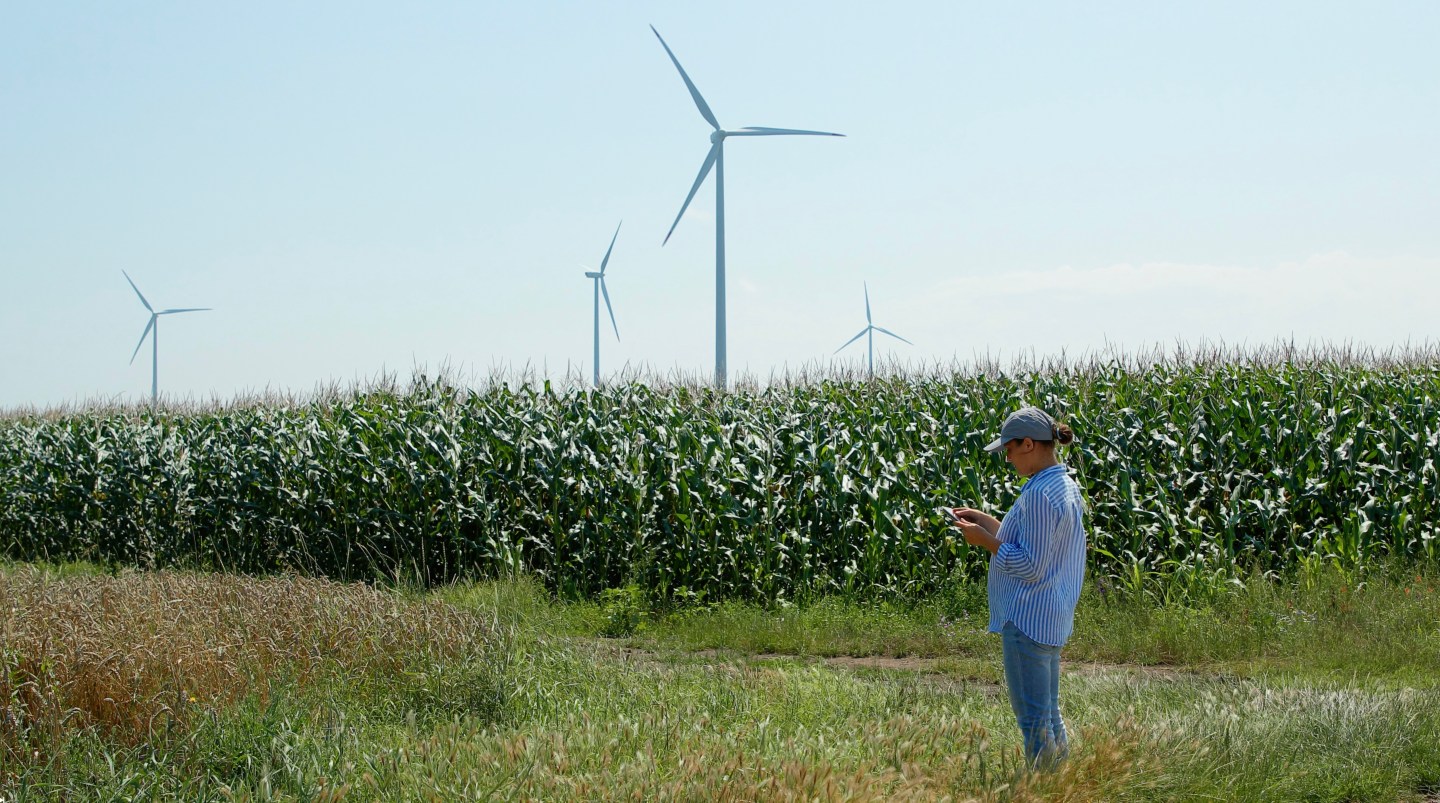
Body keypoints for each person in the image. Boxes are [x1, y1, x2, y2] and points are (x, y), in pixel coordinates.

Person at [947, 406, 1086, 769]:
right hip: (1051, 615)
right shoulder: (1062, 485)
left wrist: (986, 542)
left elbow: (1030, 565)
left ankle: (1044, 790)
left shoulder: (1039, 494)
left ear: (1028, 444)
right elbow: (1037, 544)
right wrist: (989, 523)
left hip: (1027, 617)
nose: (1006, 458)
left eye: (1008, 449)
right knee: (1048, 714)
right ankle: (1062, 784)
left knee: (1033, 722)